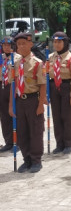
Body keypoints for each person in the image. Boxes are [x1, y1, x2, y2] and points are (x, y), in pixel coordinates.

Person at [9, 32, 47, 173]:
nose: (21, 46)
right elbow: (13, 85)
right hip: (20, 101)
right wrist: (11, 106)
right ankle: (27, 159)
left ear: (30, 44)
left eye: (24, 43)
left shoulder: (37, 63)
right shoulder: (15, 64)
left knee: (35, 131)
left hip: (33, 100)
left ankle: (36, 159)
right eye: (18, 44)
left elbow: (42, 85)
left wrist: (40, 104)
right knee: (22, 132)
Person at [48, 32, 71, 155]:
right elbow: (48, 75)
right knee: (56, 116)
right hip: (54, 86)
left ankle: (68, 143)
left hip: (66, 86)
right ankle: (59, 143)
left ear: (65, 43)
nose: (57, 44)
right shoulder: (50, 57)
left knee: (67, 116)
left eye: (59, 42)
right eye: (55, 42)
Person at [0, 37, 21, 152]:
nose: (6, 48)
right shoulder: (1, 58)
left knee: (14, 113)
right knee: (4, 116)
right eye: (4, 46)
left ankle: (17, 142)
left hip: (13, 86)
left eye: (9, 45)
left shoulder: (17, 58)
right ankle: (8, 141)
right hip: (2, 86)